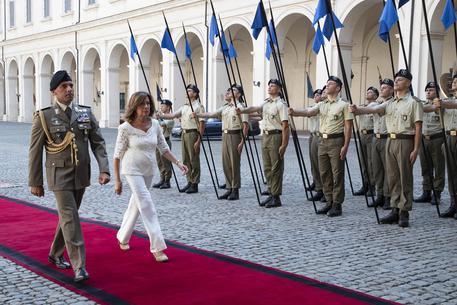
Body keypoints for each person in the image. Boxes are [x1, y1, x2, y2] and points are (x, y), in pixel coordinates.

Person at [28, 70, 110, 282]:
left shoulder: (83, 112)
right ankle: (79, 266)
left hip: (81, 174)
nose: (69, 89)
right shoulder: (44, 117)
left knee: (67, 217)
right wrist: (35, 182)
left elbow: (98, 142)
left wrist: (104, 168)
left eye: (71, 85)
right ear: (54, 91)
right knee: (71, 218)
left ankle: (55, 253)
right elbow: (35, 151)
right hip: (59, 176)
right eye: (64, 86)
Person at [114, 91, 188, 262]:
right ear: (134, 106)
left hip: (148, 170)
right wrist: (117, 180)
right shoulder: (125, 128)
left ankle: (122, 236)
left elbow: (163, 148)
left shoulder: (154, 124)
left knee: (136, 204)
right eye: (142, 104)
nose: (146, 107)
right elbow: (117, 155)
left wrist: (178, 163)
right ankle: (157, 247)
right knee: (146, 204)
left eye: (148, 103)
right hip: (131, 169)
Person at [350, 69, 423, 227]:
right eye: (396, 79)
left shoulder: (413, 102)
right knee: (393, 177)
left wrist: (416, 149)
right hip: (390, 140)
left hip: (405, 141)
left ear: (409, 83)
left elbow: (418, 127)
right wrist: (358, 110)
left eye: (400, 79)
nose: (396, 81)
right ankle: (395, 208)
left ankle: (404, 211)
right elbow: (374, 109)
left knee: (405, 177)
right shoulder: (389, 103)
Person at [290, 76, 353, 217]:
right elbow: (309, 112)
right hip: (322, 142)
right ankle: (329, 200)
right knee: (324, 173)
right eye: (327, 83)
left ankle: (337, 204)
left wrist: (346, 146)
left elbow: (348, 127)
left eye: (330, 84)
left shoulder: (343, 105)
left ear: (338, 88)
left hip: (336, 141)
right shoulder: (322, 104)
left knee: (337, 174)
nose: (327, 85)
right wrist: (294, 112)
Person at [238, 79, 289, 208]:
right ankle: (271, 192)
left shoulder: (281, 104)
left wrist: (284, 144)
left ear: (279, 89)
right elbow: (255, 108)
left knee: (276, 167)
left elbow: (285, 126)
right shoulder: (266, 103)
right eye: (269, 85)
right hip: (265, 136)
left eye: (273, 86)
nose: (270, 87)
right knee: (267, 167)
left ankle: (276, 197)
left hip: (276, 136)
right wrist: (243, 111)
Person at [196, 85, 249, 200]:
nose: (229, 91)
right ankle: (229, 188)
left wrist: (242, 143)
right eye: (229, 90)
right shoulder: (225, 107)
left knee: (234, 164)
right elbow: (211, 114)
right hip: (225, 135)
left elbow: (245, 126)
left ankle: (235, 190)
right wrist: (198, 115)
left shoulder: (241, 107)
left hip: (235, 135)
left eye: (233, 90)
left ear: (239, 94)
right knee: (226, 164)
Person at [159, 84, 205, 194]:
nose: (187, 93)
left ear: (195, 93)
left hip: (193, 133)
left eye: (189, 91)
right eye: (187, 91)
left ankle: (195, 183)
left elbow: (202, 124)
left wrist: (199, 140)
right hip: (184, 133)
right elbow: (173, 115)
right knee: (186, 159)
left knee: (194, 159)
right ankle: (189, 181)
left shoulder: (198, 106)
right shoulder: (185, 107)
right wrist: (160, 116)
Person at [414, 82, 445, 205]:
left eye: (431, 90)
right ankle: (426, 191)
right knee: (425, 167)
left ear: (437, 92)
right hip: (424, 139)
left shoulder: (441, 104)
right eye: (427, 90)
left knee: (438, 167)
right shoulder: (422, 104)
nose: (428, 92)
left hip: (437, 139)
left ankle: (437, 193)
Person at [433, 74, 457, 218]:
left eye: (456, 81)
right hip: (449, 137)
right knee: (452, 173)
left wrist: (442, 104)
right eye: (453, 81)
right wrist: (437, 104)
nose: (454, 83)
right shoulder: (446, 101)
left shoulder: (448, 103)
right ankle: (454, 203)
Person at [370, 79, 394, 209]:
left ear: (391, 90)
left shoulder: (393, 103)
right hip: (376, 138)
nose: (382, 89)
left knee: (387, 169)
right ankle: (379, 194)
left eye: (385, 87)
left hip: (387, 138)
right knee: (377, 169)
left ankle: (387, 196)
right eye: (381, 87)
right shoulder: (377, 104)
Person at [353, 87, 377, 197]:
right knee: (363, 161)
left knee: (371, 162)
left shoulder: (376, 105)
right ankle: (365, 184)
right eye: (367, 92)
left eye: (371, 92)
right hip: (362, 135)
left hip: (371, 134)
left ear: (376, 96)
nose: (368, 93)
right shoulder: (363, 106)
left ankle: (372, 186)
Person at [153, 99, 175, 189]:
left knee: (166, 162)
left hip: (165, 141)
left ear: (168, 107)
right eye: (161, 105)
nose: (161, 107)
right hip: (157, 142)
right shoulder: (161, 116)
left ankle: (167, 181)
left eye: (163, 106)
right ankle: (162, 179)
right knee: (159, 162)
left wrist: (158, 118)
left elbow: (162, 124)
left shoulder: (170, 118)